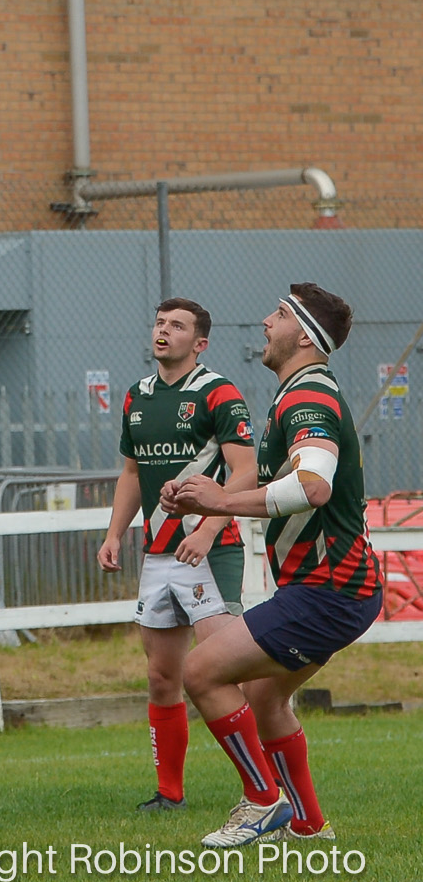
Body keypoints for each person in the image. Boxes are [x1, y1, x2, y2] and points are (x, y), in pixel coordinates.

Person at [162, 285, 380, 849]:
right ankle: (309, 824)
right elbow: (274, 484)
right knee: (264, 698)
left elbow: (312, 485)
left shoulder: (308, 399)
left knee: (201, 672)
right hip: (336, 588)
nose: (265, 321)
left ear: (304, 335)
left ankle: (263, 800)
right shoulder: (297, 394)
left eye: (279, 314)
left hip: (329, 589)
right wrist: (197, 493)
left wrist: (219, 503)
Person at [96, 299, 258, 813]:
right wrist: (114, 533)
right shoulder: (136, 397)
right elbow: (129, 473)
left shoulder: (220, 393)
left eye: (178, 326)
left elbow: (245, 474)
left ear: (200, 342)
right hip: (159, 555)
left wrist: (208, 532)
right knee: (162, 676)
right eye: (161, 323)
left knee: (220, 672)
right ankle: (169, 793)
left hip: (208, 552)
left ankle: (261, 789)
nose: (164, 332)